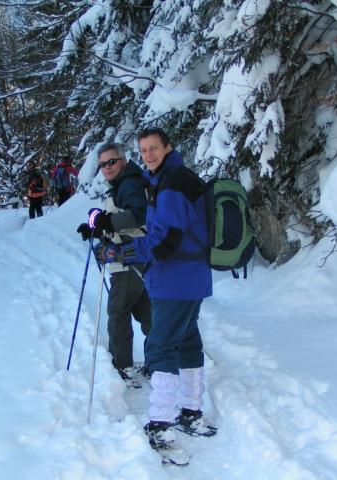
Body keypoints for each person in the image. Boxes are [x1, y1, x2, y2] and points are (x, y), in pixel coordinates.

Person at [94, 127, 215, 449]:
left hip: (175, 278)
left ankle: (161, 422)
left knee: (160, 347)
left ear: (168, 147)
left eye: (153, 149)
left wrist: (122, 252)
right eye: (143, 150)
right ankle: (191, 412)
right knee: (188, 342)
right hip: (191, 277)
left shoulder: (173, 185)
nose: (148, 155)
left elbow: (163, 241)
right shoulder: (170, 180)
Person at [77, 143, 152, 388]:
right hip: (135, 258)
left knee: (118, 313)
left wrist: (106, 222)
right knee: (145, 312)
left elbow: (138, 215)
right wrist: (96, 227)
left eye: (111, 162)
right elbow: (119, 216)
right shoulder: (125, 182)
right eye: (102, 164)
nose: (106, 168)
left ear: (122, 160)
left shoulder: (129, 183)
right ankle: (160, 361)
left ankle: (122, 367)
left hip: (128, 259)